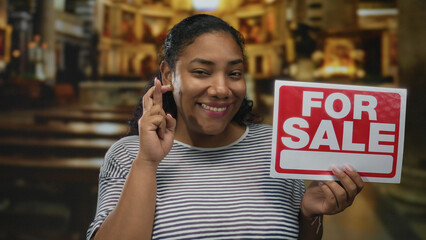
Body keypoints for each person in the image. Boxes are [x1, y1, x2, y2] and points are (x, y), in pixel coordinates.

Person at [87, 14, 364, 240]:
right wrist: (147, 163)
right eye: (201, 72)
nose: (221, 89)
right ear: (168, 74)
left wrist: (310, 214)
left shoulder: (276, 147)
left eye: (234, 73)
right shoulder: (129, 155)